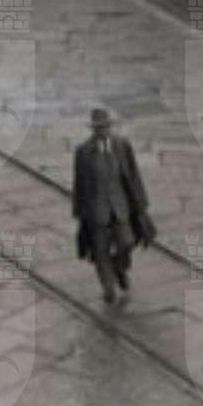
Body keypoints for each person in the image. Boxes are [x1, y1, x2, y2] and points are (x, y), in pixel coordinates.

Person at [71, 107, 154, 307]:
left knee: (127, 242)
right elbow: (79, 183)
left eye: (105, 127)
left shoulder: (121, 146)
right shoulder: (84, 152)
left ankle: (118, 267)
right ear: (93, 129)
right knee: (100, 251)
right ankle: (108, 288)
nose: (102, 130)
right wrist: (80, 212)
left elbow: (133, 176)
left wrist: (141, 204)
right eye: (98, 128)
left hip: (120, 207)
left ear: (110, 127)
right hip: (97, 211)